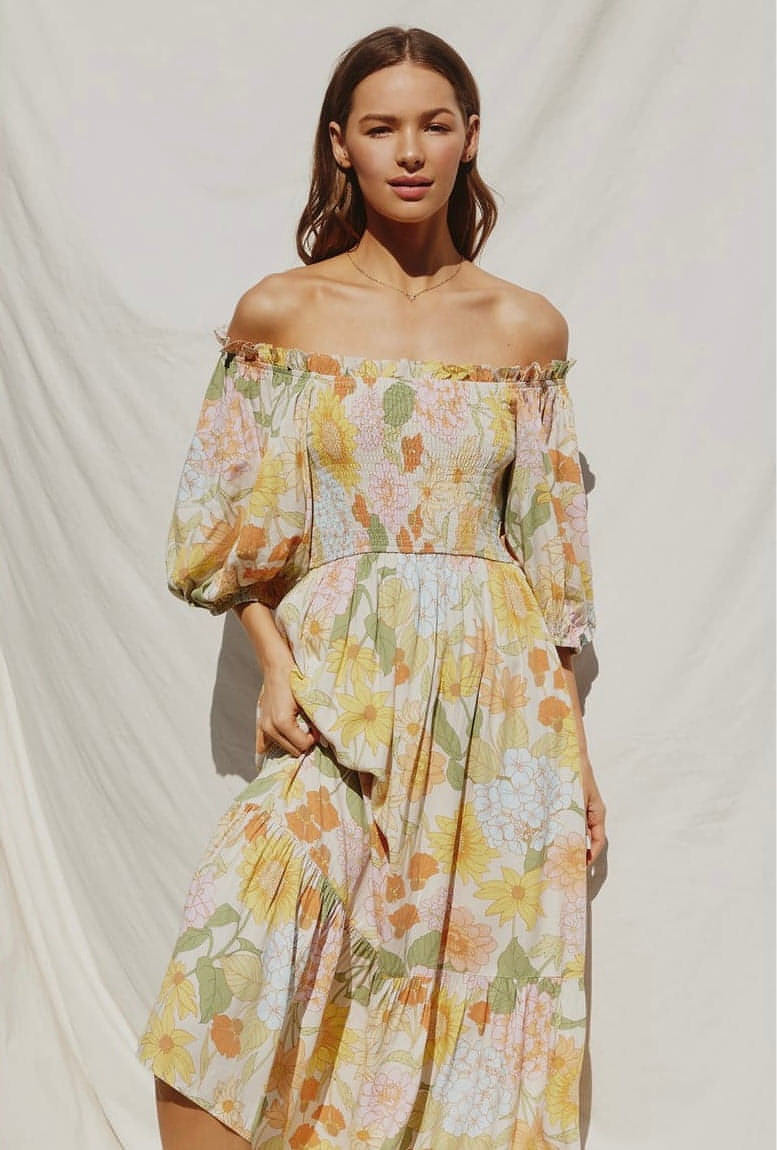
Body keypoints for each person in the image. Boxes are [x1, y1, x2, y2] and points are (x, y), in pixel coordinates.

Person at [136, 23, 607, 1150]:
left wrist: (575, 753)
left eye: (433, 125)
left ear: (469, 138)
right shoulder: (281, 313)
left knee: (463, 1020)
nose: (409, 151)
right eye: (381, 127)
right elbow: (227, 532)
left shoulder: (524, 328)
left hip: (499, 718)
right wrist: (274, 666)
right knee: (224, 983)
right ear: (340, 144)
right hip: (341, 691)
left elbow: (551, 567)